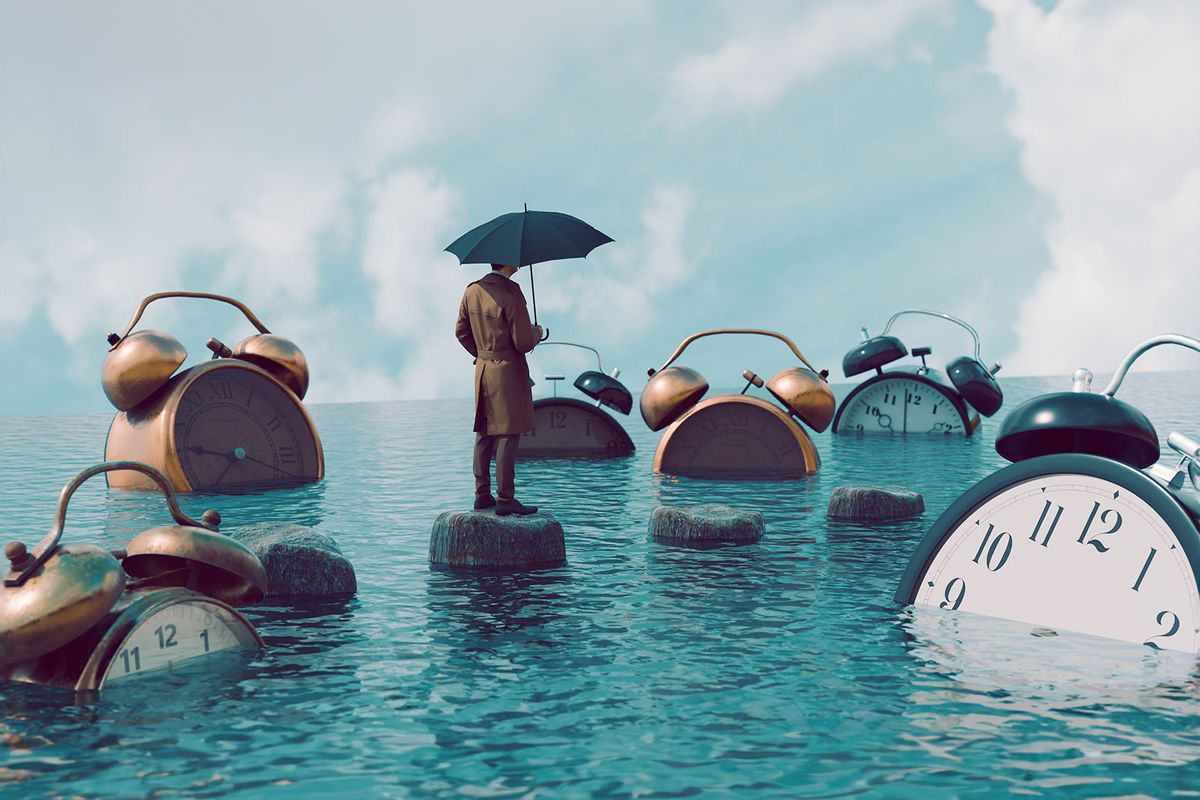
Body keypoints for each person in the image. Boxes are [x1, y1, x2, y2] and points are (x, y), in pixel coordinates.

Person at [455, 263, 544, 515]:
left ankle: (482, 495)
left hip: (482, 370)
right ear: (508, 262)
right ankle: (505, 499)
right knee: (508, 434)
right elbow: (523, 343)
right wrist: (536, 333)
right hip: (507, 372)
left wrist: (482, 354)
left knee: (484, 433)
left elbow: (460, 331)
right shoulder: (511, 293)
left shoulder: (471, 290)